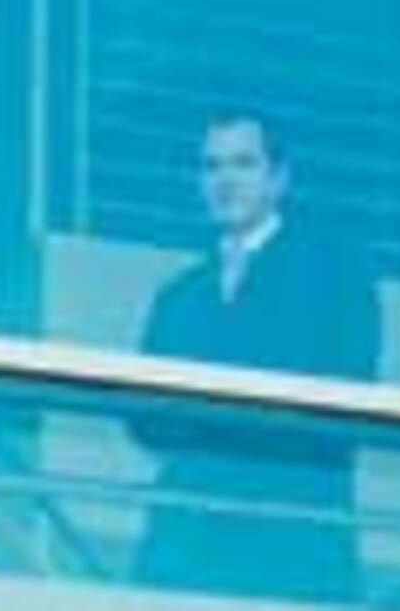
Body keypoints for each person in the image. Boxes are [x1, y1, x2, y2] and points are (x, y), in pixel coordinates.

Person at [134, 109, 382, 603]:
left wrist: (204, 416)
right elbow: (145, 420)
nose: (225, 180)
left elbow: (341, 393)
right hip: (186, 545)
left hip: (289, 540)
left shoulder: (333, 271)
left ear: (280, 178)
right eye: (211, 166)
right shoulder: (179, 295)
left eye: (243, 164)